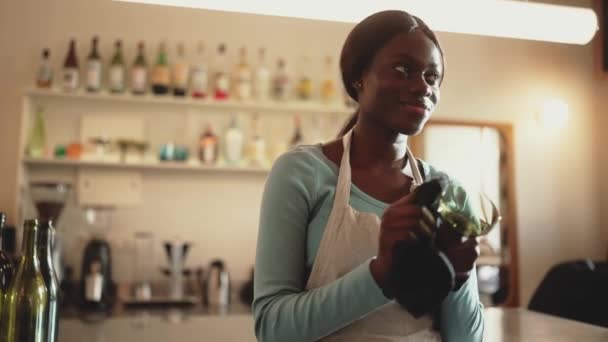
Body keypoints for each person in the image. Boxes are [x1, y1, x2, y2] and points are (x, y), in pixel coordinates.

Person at [253, 10, 484, 342]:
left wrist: (459, 278)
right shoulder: (302, 174)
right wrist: (382, 273)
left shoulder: (451, 196)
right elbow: (272, 329)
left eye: (432, 77)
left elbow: (467, 339)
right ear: (359, 77)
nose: (422, 86)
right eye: (403, 69)